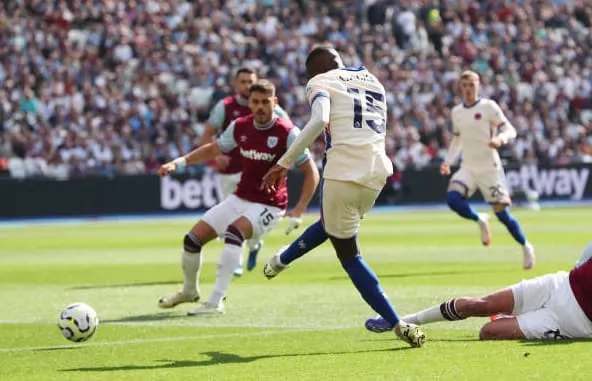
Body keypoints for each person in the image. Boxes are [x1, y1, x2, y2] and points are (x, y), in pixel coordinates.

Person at [261, 46, 425, 347]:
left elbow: (320, 119)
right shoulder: (372, 79)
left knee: (349, 255)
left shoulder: (321, 81)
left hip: (343, 173)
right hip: (377, 175)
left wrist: (283, 163)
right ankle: (281, 260)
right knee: (333, 225)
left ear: (316, 69)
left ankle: (397, 322)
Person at [158, 80, 319, 315]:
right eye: (256, 102)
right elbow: (214, 149)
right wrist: (178, 162)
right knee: (192, 240)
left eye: (266, 102)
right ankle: (189, 290)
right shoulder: (240, 127)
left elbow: (311, 172)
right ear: (250, 104)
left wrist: (299, 210)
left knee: (234, 234)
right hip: (240, 198)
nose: (261, 107)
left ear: (275, 103)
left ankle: (215, 301)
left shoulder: (288, 133)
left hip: (270, 205)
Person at [366, 242, 592, 340]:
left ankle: (514, 316)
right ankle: (402, 321)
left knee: (488, 332)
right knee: (478, 305)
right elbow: (580, 262)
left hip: (574, 323)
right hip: (560, 286)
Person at [440, 70, 535, 270]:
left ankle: (526, 246)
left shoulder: (488, 107)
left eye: (471, 85)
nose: (468, 89)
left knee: (502, 215)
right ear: (460, 87)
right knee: (453, 200)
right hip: (468, 166)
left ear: (478, 85)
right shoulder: (457, 111)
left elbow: (510, 130)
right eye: (464, 85)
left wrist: (499, 139)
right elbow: (457, 139)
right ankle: (480, 219)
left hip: (490, 168)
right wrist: (448, 161)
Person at [202, 68, 292, 275]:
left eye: (250, 81)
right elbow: (207, 133)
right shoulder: (225, 107)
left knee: (252, 223)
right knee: (231, 219)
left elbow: (290, 131)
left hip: (259, 175)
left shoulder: (268, 106)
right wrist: (216, 157)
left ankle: (255, 245)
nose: (247, 85)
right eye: (243, 81)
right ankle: (237, 261)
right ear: (236, 84)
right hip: (231, 171)